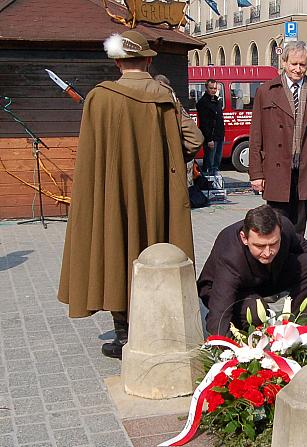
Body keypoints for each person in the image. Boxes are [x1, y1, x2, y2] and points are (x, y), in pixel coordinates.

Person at [58, 30, 203, 359]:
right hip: (158, 195)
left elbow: (92, 157)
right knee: (158, 247)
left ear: (118, 62)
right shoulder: (164, 96)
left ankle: (124, 336)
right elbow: (194, 141)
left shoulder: (99, 98)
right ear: (150, 59)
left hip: (114, 194)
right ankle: (159, 329)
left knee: (117, 248)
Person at [197, 205, 307, 336]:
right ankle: (244, 327)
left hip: (266, 277)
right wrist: (224, 349)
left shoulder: (284, 226)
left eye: (273, 244)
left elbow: (303, 245)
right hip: (224, 291)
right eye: (260, 246)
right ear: (244, 238)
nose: (268, 253)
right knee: (256, 310)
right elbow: (220, 310)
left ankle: (293, 328)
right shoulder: (230, 253)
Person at [249, 41, 307, 236]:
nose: (298, 69)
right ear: (284, 62)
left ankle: (295, 263)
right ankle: (277, 263)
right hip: (276, 169)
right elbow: (255, 137)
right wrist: (256, 174)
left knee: (299, 227)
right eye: (293, 64)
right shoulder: (266, 91)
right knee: (275, 225)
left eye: (302, 65)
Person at [196, 78, 225, 176]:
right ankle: (208, 183)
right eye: (211, 88)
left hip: (219, 136)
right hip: (211, 138)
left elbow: (219, 119)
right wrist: (209, 139)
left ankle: (214, 183)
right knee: (209, 163)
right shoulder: (203, 102)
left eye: (215, 88)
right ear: (206, 88)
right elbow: (204, 123)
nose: (213, 90)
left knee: (216, 163)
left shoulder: (216, 101)